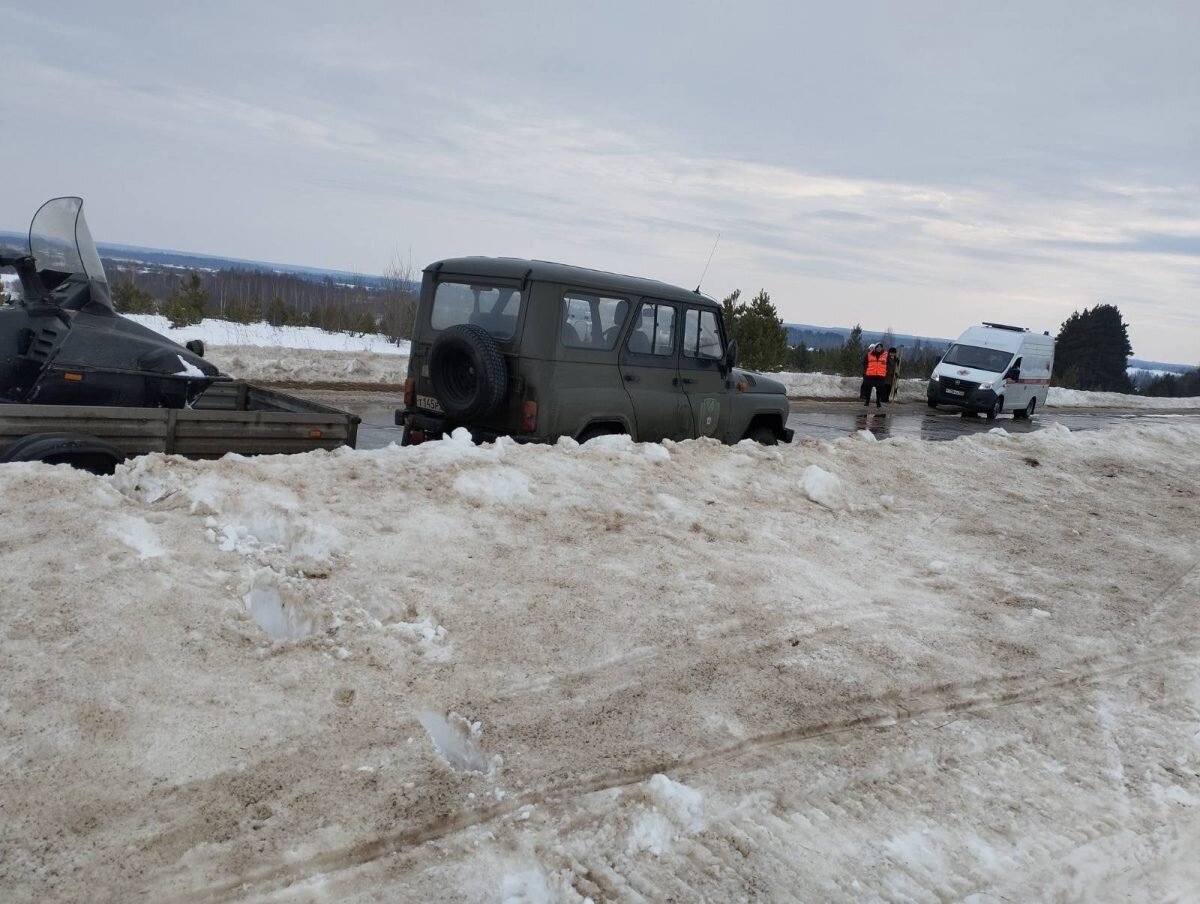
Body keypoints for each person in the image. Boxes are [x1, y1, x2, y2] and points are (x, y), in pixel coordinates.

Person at [862, 343, 889, 407]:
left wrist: (886, 370)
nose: (879, 348)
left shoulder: (886, 355)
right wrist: (866, 370)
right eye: (878, 347)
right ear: (875, 348)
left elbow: (889, 364)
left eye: (880, 347)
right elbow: (864, 363)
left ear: (882, 348)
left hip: (880, 375)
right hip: (870, 375)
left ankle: (878, 401)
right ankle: (867, 401)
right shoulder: (869, 354)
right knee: (868, 389)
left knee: (880, 390)